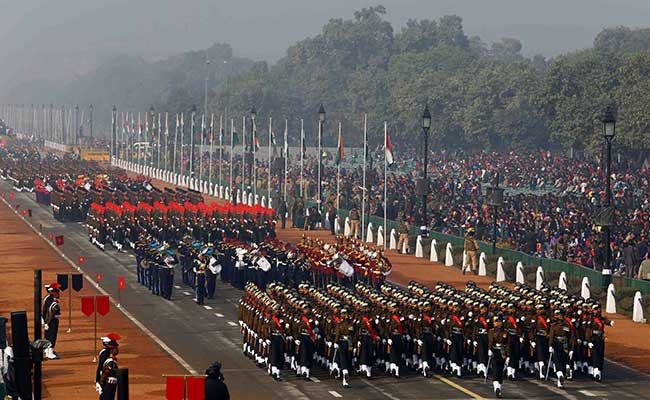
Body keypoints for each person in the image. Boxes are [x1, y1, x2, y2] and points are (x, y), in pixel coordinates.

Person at [42, 283, 62, 360]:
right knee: (52, 336)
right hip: (52, 320)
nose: (58, 293)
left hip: (50, 320)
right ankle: (49, 352)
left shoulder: (49, 299)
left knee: (48, 335)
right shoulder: (51, 300)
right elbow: (48, 312)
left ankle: (47, 351)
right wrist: (46, 322)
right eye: (57, 292)